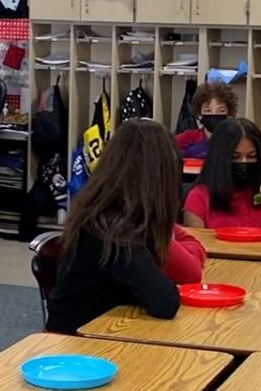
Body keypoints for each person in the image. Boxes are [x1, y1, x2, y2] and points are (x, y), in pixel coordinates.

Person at [46, 119, 204, 334]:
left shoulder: (101, 213)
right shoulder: (114, 233)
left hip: (91, 334)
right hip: (80, 345)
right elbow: (165, 302)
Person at [184, 119, 261, 232]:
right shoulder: (198, 198)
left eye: (252, 156)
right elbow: (194, 247)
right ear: (219, 159)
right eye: (235, 157)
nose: (244, 162)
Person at [176, 83, 237, 160]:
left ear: (229, 113)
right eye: (208, 110)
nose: (214, 114)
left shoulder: (236, 141)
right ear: (199, 113)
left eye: (221, 111)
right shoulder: (186, 139)